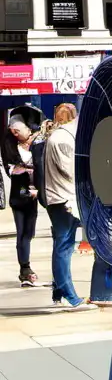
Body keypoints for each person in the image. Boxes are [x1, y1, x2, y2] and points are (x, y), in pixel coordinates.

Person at [44, 103, 96, 310]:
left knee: (62, 245)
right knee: (64, 247)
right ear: (74, 117)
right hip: (63, 198)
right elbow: (71, 170)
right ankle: (69, 295)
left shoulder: (57, 136)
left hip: (59, 197)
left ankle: (59, 292)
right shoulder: (63, 139)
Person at [1, 116, 42, 286]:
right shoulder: (10, 148)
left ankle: (25, 269)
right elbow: (14, 173)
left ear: (27, 129)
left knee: (29, 233)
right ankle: (25, 269)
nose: (16, 134)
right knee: (22, 234)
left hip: (32, 198)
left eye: (18, 131)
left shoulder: (36, 144)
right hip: (19, 197)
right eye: (13, 132)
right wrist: (29, 189)